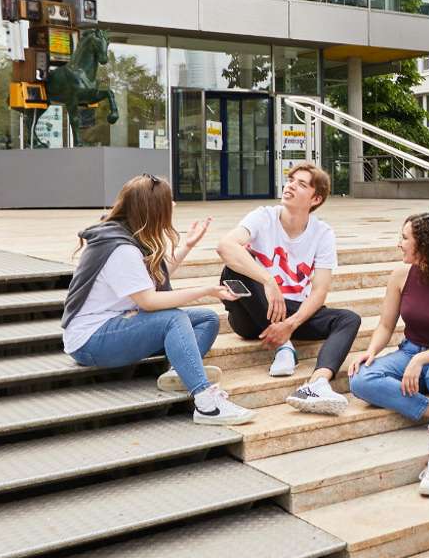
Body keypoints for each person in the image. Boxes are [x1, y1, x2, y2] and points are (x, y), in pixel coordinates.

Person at [63, 174, 254, 426]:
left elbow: (150, 280)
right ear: (153, 210)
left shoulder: (125, 236)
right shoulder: (121, 249)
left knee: (206, 318)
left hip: (117, 325)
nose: (173, 206)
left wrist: (187, 246)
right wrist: (206, 289)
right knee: (174, 318)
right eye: (169, 201)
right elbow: (149, 301)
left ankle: (179, 373)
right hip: (91, 340)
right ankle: (207, 406)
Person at [349, 212, 429, 497]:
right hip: (409, 352)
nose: (400, 244)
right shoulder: (401, 276)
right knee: (360, 379)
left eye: (405, 238)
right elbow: (386, 325)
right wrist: (370, 352)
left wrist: (421, 359)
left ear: (425, 244)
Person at [215, 162, 361, 415]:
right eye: (290, 179)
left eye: (301, 183)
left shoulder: (322, 233)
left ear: (315, 199)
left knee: (349, 319)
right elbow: (225, 246)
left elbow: (320, 291)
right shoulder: (263, 216)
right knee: (232, 270)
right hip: (251, 315)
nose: (290, 185)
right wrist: (268, 281)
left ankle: (318, 383)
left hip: (292, 313)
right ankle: (285, 348)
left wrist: (290, 325)